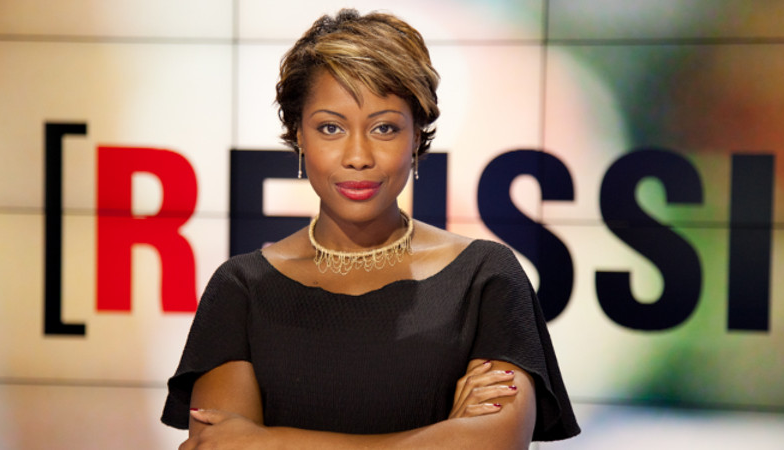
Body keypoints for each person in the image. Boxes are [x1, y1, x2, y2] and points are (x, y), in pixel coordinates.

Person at [162, 8, 580, 449]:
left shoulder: (485, 277)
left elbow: (495, 444)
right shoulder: (241, 289)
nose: (358, 157)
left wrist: (270, 442)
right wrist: (443, 435)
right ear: (299, 134)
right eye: (330, 127)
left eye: (384, 128)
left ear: (416, 136)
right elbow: (221, 445)